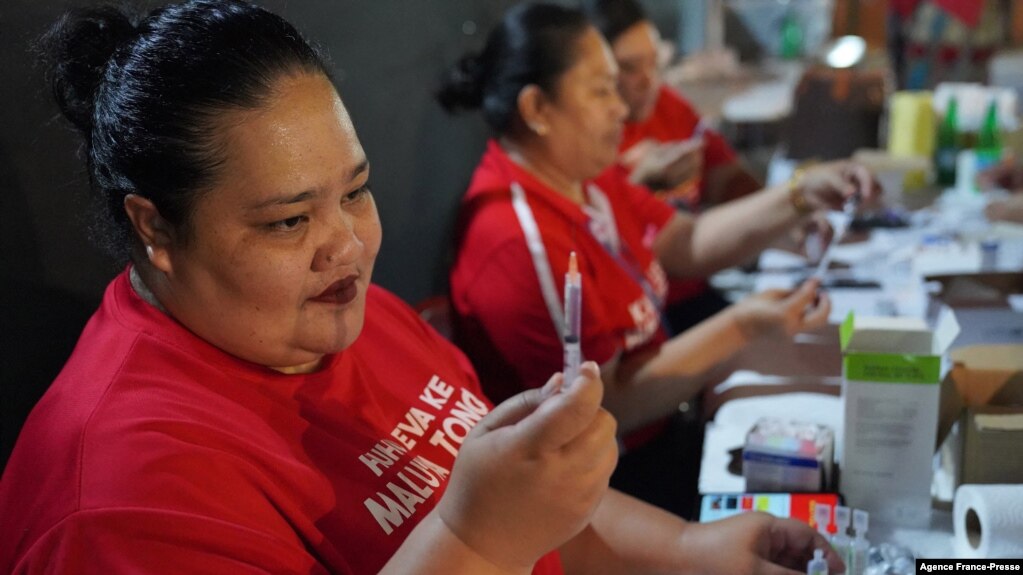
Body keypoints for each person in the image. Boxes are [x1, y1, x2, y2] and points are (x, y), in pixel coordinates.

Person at [0, 1, 844, 574]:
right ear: (155, 227)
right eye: (288, 221)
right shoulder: (117, 501)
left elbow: (544, 513)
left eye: (356, 191)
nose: (349, 245)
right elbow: (496, 523)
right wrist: (469, 539)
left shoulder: (343, 314)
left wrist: (690, 547)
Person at [440, 2, 877, 519]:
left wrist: (802, 194)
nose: (622, 109)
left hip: (662, 433)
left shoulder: (583, 177)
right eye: (602, 89)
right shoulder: (519, 241)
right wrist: (741, 324)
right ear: (537, 109)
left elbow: (687, 243)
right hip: (607, 486)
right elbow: (611, 407)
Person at [582, 0, 765, 335]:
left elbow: (728, 177)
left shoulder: (668, 106)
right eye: (630, 68)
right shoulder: (590, 140)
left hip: (690, 291)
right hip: (649, 310)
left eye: (656, 62)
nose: (649, 80)